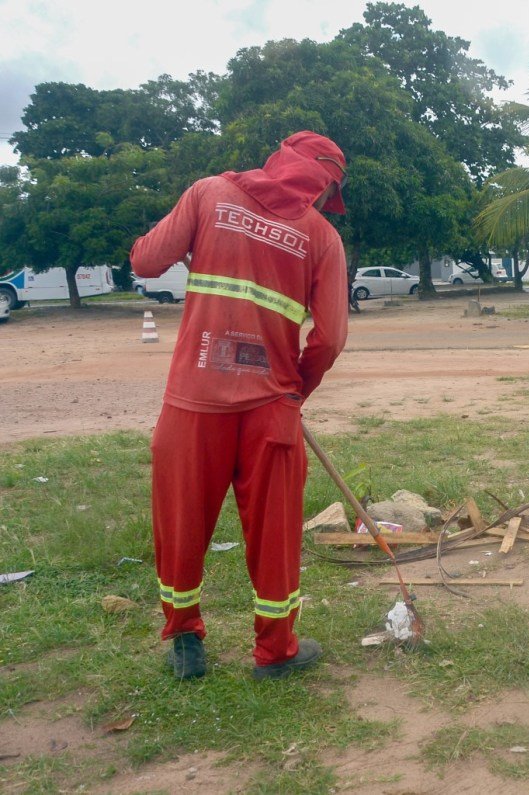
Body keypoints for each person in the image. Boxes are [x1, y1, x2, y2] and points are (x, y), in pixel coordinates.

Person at [131, 131, 350, 679]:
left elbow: (145, 261)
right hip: (271, 408)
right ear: (323, 185)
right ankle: (275, 653)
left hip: (193, 401)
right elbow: (330, 338)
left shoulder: (208, 194)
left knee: (181, 525)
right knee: (275, 534)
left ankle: (185, 641)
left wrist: (199, 236)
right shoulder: (322, 237)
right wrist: (296, 387)